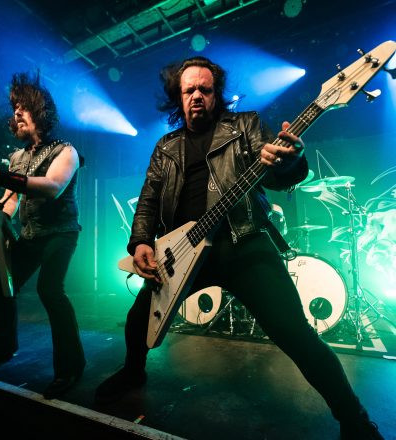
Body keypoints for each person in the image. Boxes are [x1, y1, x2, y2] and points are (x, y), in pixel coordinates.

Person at [95, 57, 383, 439]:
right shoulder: (166, 147)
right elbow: (148, 199)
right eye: (189, 90)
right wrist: (140, 242)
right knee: (137, 319)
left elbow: (279, 176)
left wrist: (289, 161)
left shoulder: (245, 126)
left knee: (297, 336)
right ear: (178, 97)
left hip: (244, 245)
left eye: (205, 89)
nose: (197, 95)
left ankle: (355, 420)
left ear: (216, 94)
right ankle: (134, 373)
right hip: (182, 253)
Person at [0, 72, 85, 399]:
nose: (16, 112)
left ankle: (71, 367)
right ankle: (1, 349)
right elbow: (12, 200)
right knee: (4, 287)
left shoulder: (66, 151)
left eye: (23, 106)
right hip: (31, 236)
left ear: (40, 110)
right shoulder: (17, 157)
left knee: (50, 290)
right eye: (14, 107)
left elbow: (53, 187)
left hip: (61, 233)